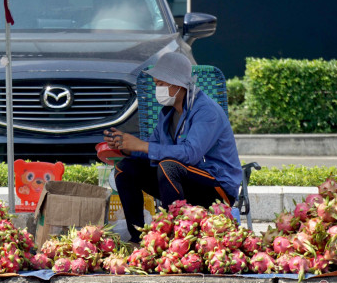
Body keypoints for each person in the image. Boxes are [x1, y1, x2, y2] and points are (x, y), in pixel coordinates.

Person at [103, 53, 242, 244]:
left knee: (169, 166)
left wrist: (142, 145)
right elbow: (152, 149)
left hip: (217, 188)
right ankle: (138, 238)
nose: (157, 89)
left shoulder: (206, 111)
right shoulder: (167, 113)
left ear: (177, 84)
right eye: (156, 84)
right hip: (182, 180)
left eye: (160, 84)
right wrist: (126, 147)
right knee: (126, 168)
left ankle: (177, 239)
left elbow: (190, 154)